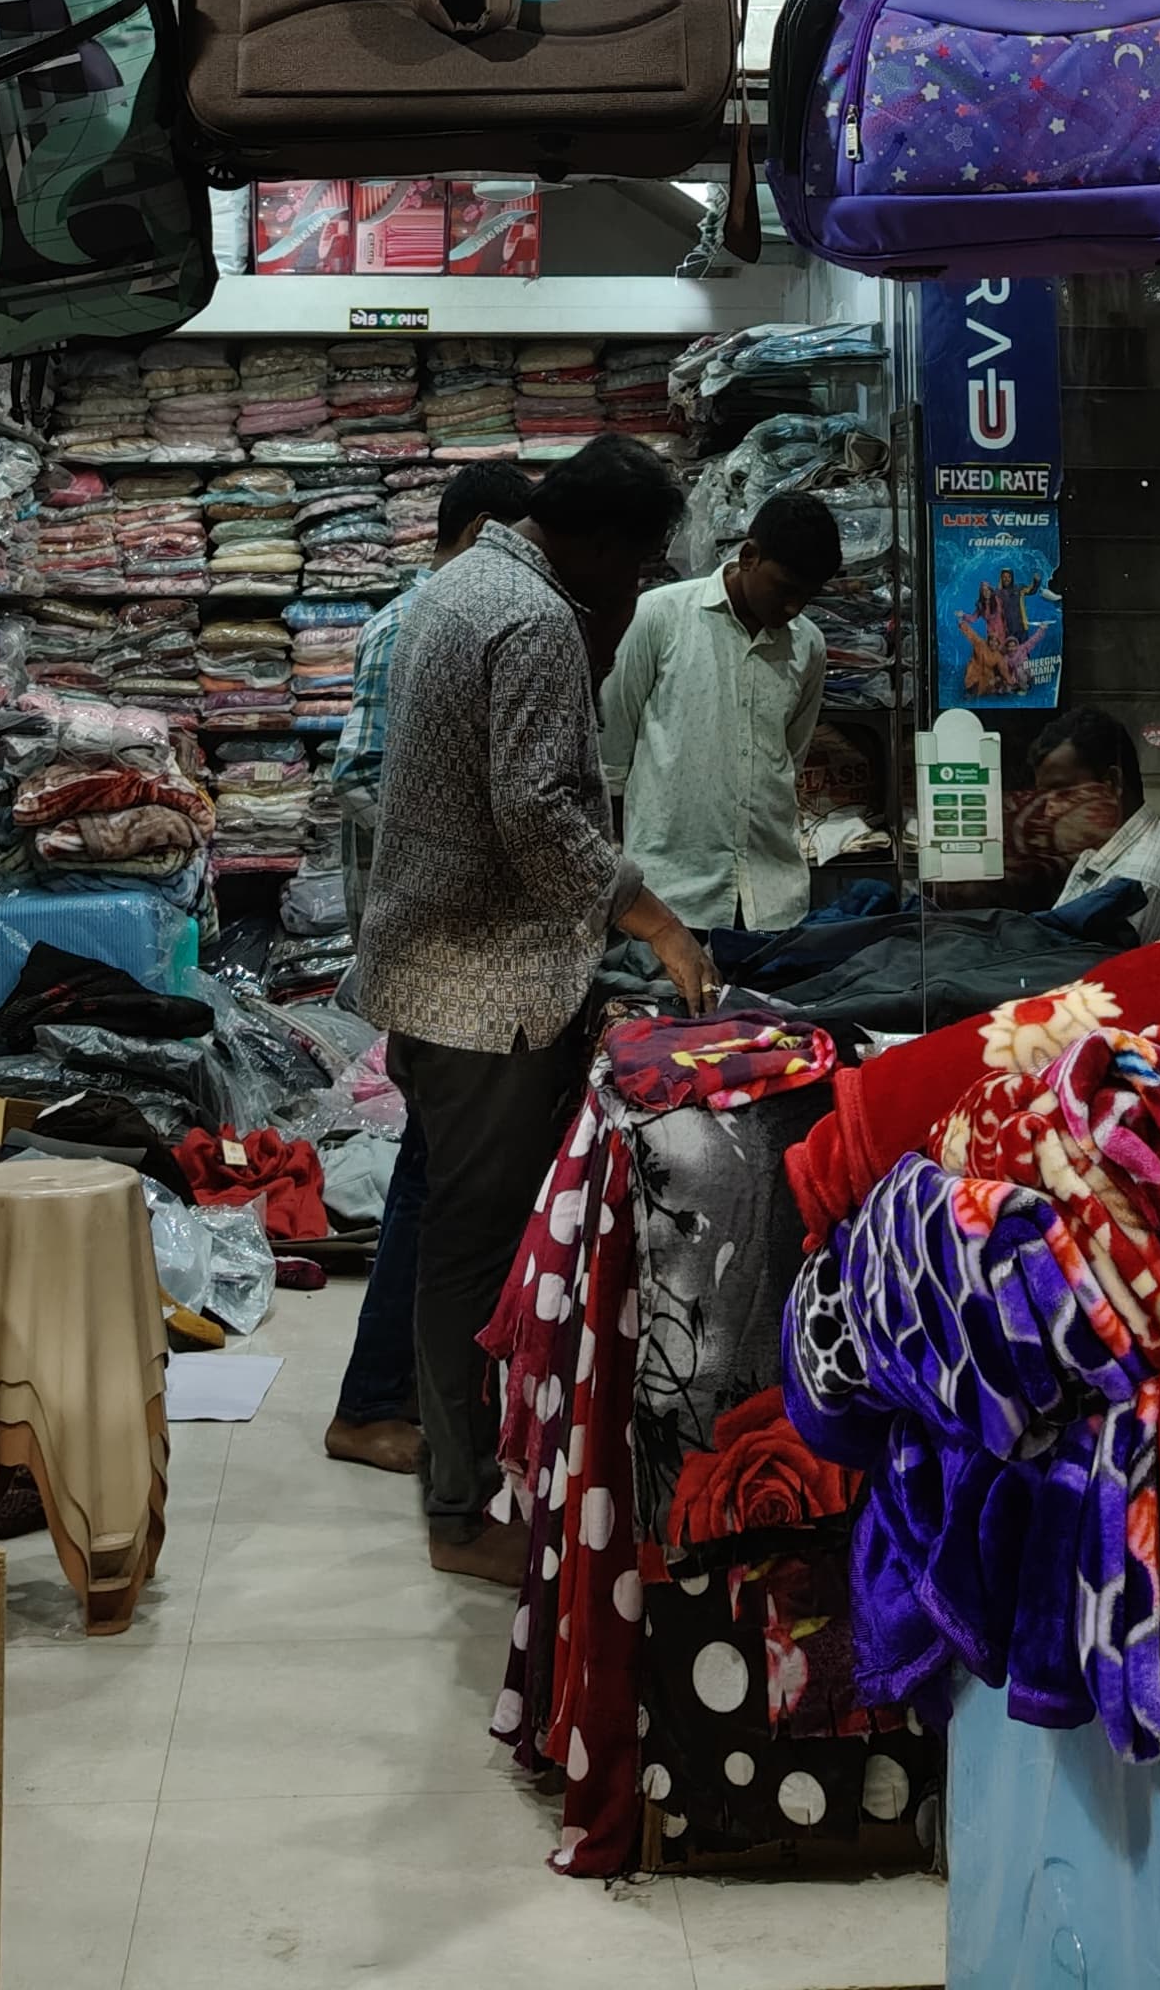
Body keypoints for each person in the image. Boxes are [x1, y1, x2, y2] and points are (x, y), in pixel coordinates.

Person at [351, 433, 714, 1580]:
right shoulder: (537, 618)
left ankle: (464, 1473)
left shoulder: (461, 582)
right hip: (487, 990)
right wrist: (654, 920)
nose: (638, 584)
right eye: (639, 561)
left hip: (435, 969)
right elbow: (540, 810)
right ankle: (462, 1510)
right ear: (599, 542)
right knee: (473, 1246)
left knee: (454, 1228)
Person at [322, 460, 537, 1481]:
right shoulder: (418, 623)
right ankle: (371, 1401)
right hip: (436, 946)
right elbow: (361, 776)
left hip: (458, 943)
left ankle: (408, 1387)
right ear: (488, 529)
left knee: (441, 1167)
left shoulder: (471, 621)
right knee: (434, 1172)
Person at [599, 488, 841, 932]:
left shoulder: (809, 645)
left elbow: (790, 754)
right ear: (749, 556)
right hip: (670, 896)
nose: (793, 608)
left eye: (807, 597)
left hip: (773, 898)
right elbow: (612, 751)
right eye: (785, 590)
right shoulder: (658, 617)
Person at [1027, 704, 1160, 933]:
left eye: (1063, 792)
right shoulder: (1101, 847)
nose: (1049, 812)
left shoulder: (1138, 883)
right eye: (1045, 798)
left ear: (1112, 783)